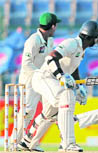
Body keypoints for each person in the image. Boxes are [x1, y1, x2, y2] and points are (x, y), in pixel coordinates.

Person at [18, 20, 98, 152]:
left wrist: (79, 87)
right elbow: (51, 58)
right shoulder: (72, 43)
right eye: (96, 38)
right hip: (44, 77)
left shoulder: (81, 51)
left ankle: (27, 143)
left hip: (52, 81)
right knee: (67, 96)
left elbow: (73, 69)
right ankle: (67, 144)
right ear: (88, 37)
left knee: (49, 114)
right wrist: (61, 76)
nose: (97, 41)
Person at [11, 12, 61, 151]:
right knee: (28, 112)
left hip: (43, 80)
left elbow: (48, 61)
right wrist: (41, 73)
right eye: (55, 26)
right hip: (30, 81)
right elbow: (26, 64)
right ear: (52, 26)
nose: (55, 29)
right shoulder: (33, 40)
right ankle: (15, 143)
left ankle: (32, 143)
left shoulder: (49, 41)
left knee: (50, 110)